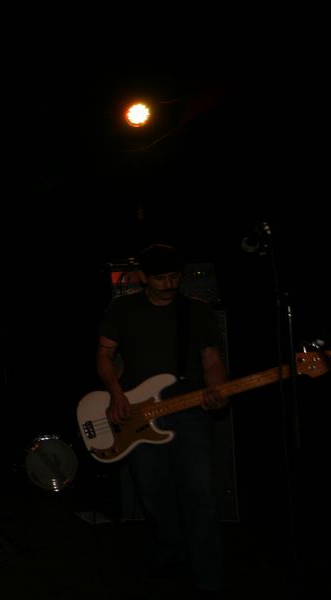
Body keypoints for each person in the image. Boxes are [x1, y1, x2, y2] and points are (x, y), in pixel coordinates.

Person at [95, 243, 229, 597]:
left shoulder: (196, 311)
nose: (169, 284)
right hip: (139, 412)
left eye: (174, 277)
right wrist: (115, 392)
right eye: (160, 278)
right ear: (143, 277)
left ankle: (209, 577)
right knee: (153, 494)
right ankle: (171, 554)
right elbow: (105, 354)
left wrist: (217, 388)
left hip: (189, 410)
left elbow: (212, 359)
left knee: (200, 493)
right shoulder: (122, 309)